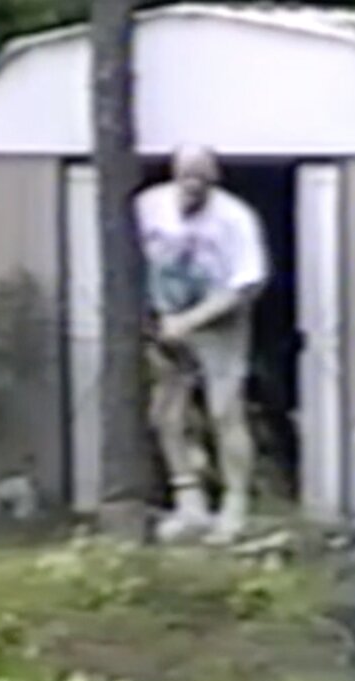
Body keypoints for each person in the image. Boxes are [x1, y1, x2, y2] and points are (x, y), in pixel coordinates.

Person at [137, 144, 269, 545]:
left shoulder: (235, 218)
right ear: (174, 175)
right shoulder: (149, 206)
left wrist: (192, 320)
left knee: (223, 410)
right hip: (164, 319)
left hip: (219, 321)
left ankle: (235, 504)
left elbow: (247, 284)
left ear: (213, 180)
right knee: (166, 412)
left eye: (201, 179)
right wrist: (154, 320)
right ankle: (189, 501)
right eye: (185, 177)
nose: (192, 186)